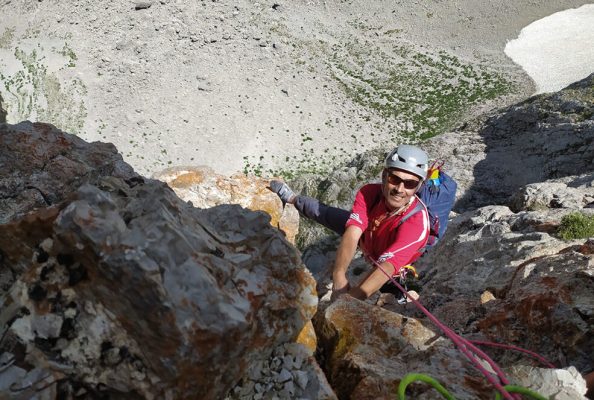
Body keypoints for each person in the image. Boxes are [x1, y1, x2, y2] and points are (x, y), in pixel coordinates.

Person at [268, 144, 430, 301]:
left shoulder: (416, 223)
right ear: (384, 176)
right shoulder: (370, 193)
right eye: (395, 179)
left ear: (418, 187)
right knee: (322, 212)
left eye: (410, 184)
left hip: (393, 258)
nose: (400, 189)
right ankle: (292, 198)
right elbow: (353, 233)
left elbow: (386, 267)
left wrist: (347, 302)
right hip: (368, 235)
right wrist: (339, 277)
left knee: (395, 285)